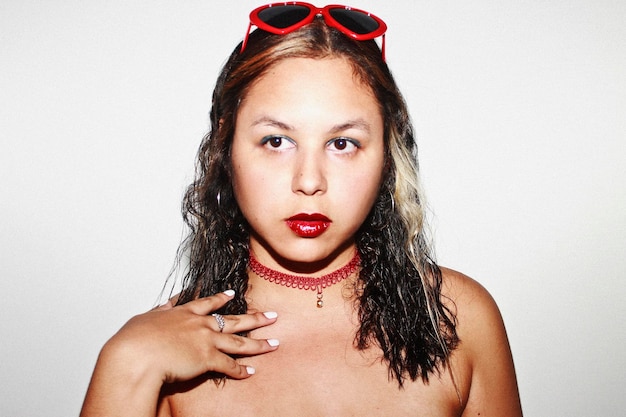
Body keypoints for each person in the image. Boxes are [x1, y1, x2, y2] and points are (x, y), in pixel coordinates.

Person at [81, 3, 522, 416]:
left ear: (386, 156)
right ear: (226, 145)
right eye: (276, 141)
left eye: (342, 143)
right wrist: (124, 365)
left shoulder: (457, 318)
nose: (309, 181)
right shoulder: (157, 355)